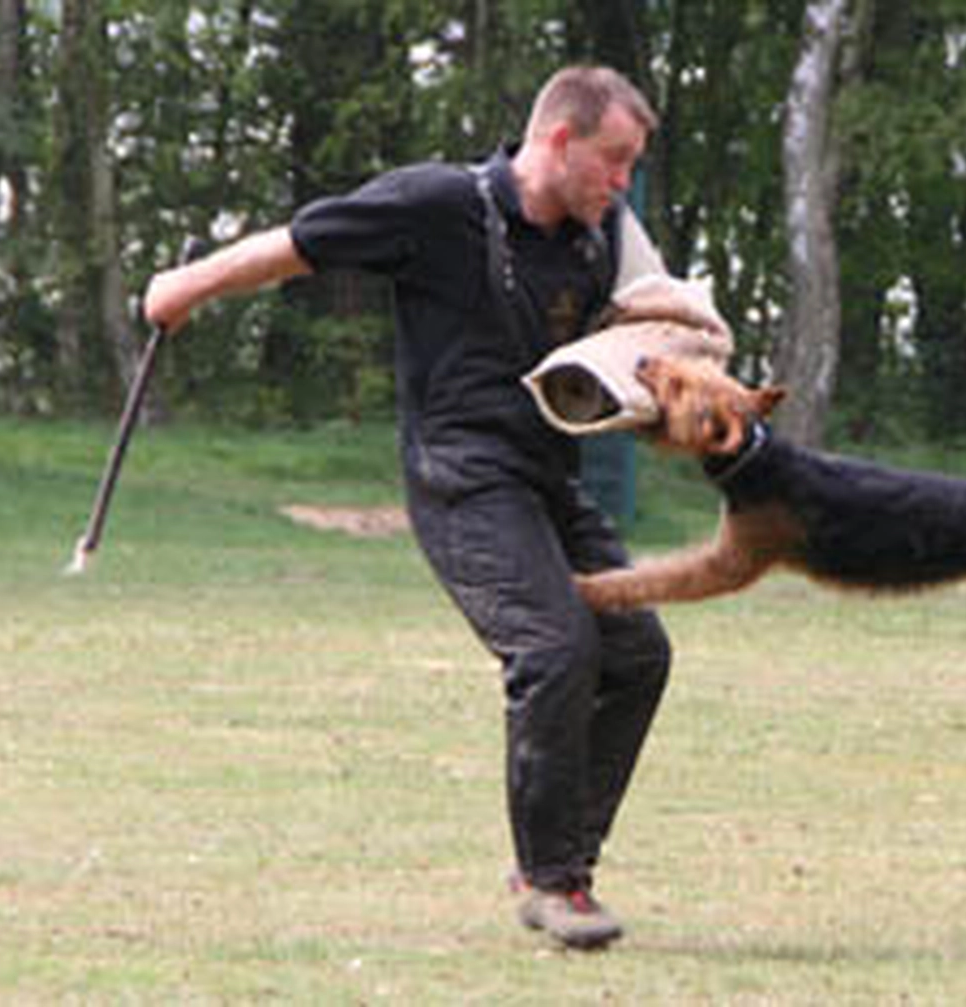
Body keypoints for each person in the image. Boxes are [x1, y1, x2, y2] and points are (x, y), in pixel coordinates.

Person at [145, 66, 713, 951]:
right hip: (461, 476)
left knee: (638, 652)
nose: (623, 182)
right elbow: (299, 243)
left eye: (632, 166)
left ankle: (556, 860)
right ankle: (555, 881)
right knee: (554, 645)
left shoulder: (598, 239)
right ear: (559, 140)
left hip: (546, 477)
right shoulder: (438, 204)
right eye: (615, 160)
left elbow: (645, 318)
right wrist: (182, 289)